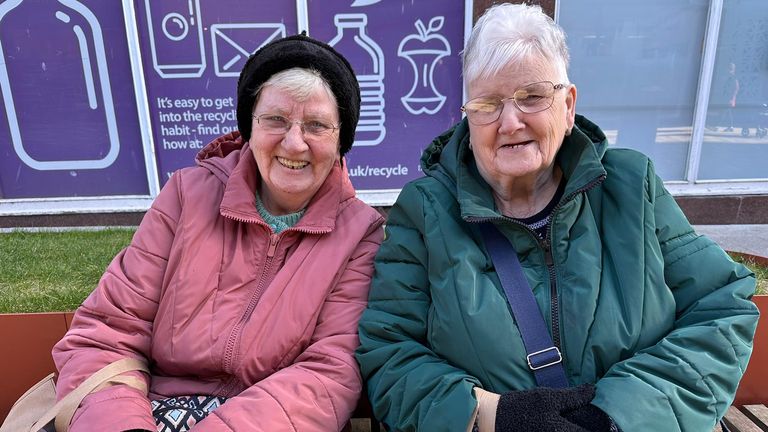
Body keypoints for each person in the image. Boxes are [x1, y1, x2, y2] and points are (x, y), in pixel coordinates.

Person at [356, 4, 759, 432]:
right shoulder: (423, 211)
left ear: (568, 106)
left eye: (531, 96)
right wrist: (495, 415)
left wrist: (614, 415)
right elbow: (390, 351)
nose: (509, 122)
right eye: (488, 103)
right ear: (469, 117)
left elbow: (722, 308)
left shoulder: (631, 186)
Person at [53, 34, 385, 431]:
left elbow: (327, 374)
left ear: (340, 141)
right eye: (275, 120)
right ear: (249, 126)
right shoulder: (186, 195)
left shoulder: (361, 234)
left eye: (316, 125)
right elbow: (108, 331)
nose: (294, 143)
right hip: (149, 410)